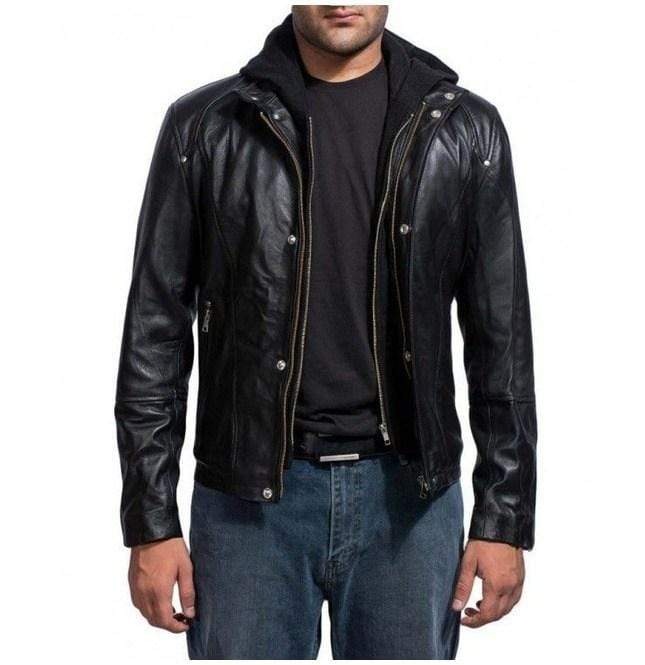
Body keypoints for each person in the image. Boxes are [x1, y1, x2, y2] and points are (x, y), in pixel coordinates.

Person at [115, 5, 537, 659]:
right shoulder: (205, 127)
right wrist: (151, 522)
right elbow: (154, 332)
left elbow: (500, 339)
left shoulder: (464, 130)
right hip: (247, 507)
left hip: (411, 503)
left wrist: (502, 517)